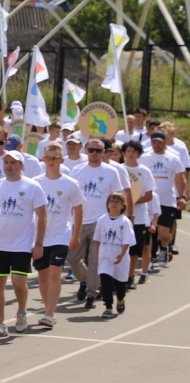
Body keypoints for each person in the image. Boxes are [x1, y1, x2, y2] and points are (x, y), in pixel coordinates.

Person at [0, 151, 48, 336]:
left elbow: (42, 216)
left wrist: (38, 243)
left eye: (13, 162)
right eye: (6, 162)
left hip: (21, 244)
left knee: (18, 282)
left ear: (22, 165)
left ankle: (21, 312)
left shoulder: (32, 186)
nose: (9, 166)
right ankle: (0, 323)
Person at [69, 137, 125, 308]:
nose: (94, 153)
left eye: (98, 151)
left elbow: (118, 196)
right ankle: (86, 280)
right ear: (86, 150)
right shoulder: (77, 170)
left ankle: (91, 294)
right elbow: (69, 196)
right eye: (91, 150)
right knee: (71, 258)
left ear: (104, 153)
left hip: (101, 222)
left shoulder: (111, 172)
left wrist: (117, 220)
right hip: (79, 221)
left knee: (95, 260)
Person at [34, 141, 85, 328]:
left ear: (62, 160)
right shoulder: (36, 183)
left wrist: (76, 235)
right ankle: (49, 309)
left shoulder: (70, 184)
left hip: (61, 235)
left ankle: (49, 312)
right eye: (49, 158)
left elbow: (79, 210)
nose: (52, 161)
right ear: (43, 159)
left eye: (55, 158)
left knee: (55, 274)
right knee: (43, 276)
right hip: (40, 237)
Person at [140, 130, 187, 267]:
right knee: (149, 232)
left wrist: (182, 196)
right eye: (154, 142)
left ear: (165, 141)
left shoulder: (173, 158)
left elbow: (180, 179)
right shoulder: (144, 157)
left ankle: (164, 247)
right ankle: (150, 258)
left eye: (159, 142)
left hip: (167, 200)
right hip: (148, 201)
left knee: (164, 233)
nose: (156, 144)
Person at [94, 192, 135, 318]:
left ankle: (121, 299)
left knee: (120, 283)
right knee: (105, 281)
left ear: (123, 206)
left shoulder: (125, 222)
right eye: (112, 202)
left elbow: (127, 241)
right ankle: (108, 307)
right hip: (105, 255)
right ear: (107, 205)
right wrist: (98, 255)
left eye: (118, 202)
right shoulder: (102, 220)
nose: (114, 205)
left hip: (120, 257)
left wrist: (122, 254)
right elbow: (97, 240)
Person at [121, 140, 154, 287]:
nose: (131, 154)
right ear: (124, 153)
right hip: (118, 216)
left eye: (134, 151)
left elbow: (149, 195)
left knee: (134, 250)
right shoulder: (118, 169)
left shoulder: (145, 171)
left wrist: (132, 201)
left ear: (139, 154)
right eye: (128, 151)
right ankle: (118, 277)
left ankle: (129, 276)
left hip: (138, 217)